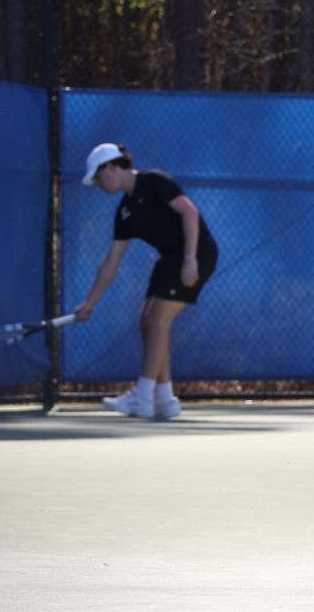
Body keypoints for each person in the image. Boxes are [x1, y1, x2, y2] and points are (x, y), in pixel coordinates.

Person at [73, 143, 218, 420]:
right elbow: (110, 263)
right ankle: (164, 399)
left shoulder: (154, 181)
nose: (97, 184)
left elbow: (189, 212)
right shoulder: (124, 213)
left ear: (112, 167)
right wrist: (89, 303)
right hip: (168, 258)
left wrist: (190, 258)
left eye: (98, 177)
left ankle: (142, 396)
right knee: (146, 321)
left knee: (158, 320)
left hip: (196, 250)